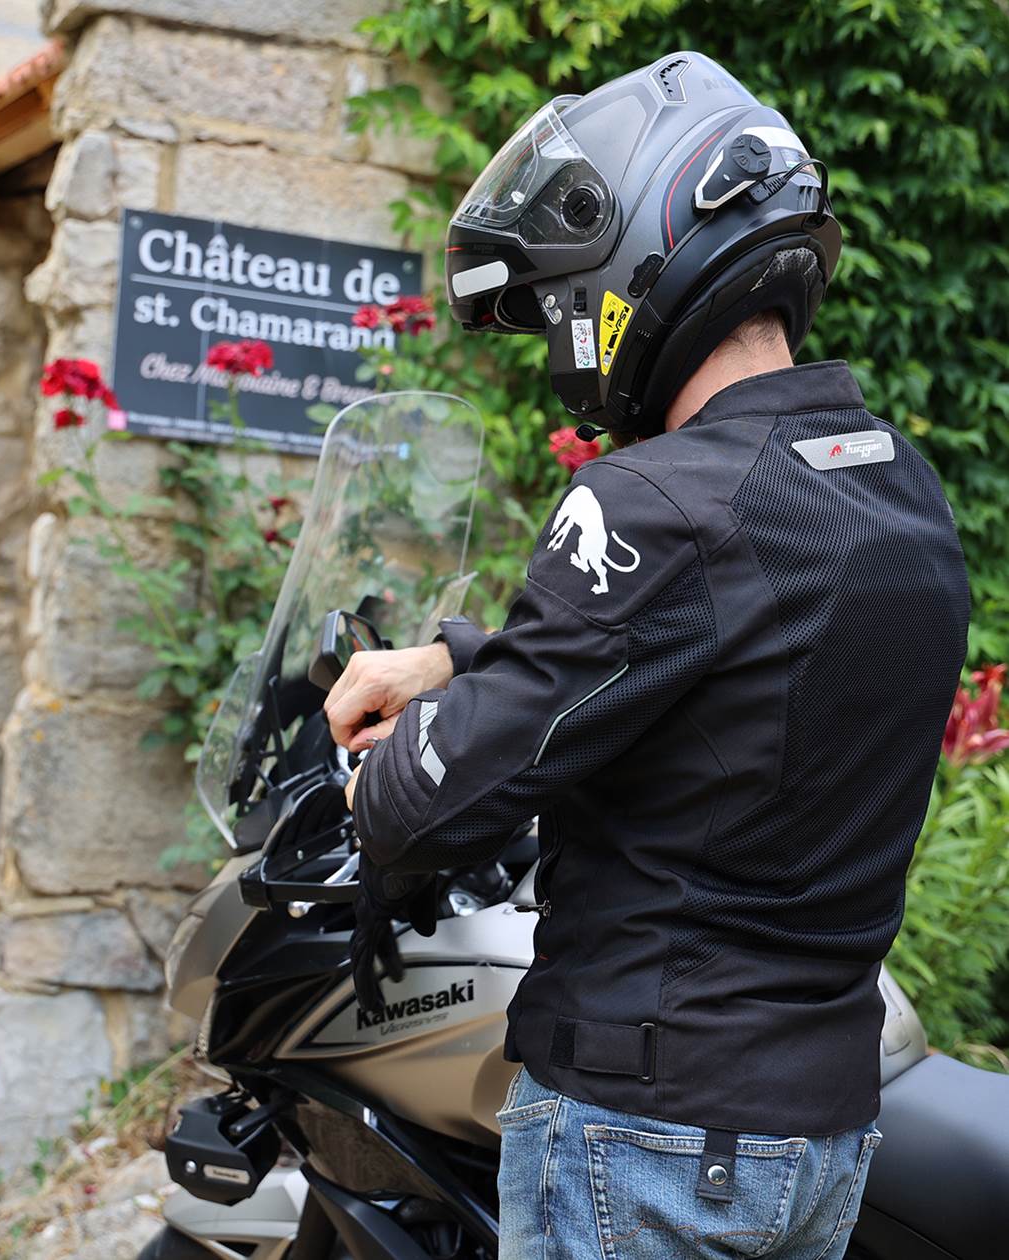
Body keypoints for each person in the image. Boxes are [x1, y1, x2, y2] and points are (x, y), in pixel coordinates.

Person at [324, 51, 970, 1260]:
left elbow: (436, 804)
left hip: (645, 1127)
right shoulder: (892, 488)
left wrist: (382, 777)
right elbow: (721, 658)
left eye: (558, 301)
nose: (560, 345)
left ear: (626, 272)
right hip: (812, 1137)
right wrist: (454, 661)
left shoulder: (653, 501)